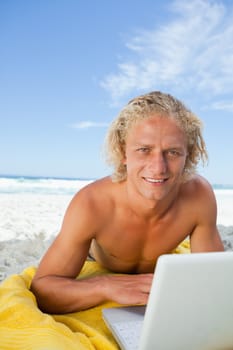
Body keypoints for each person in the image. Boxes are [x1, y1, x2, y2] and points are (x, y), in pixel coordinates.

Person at [31, 91, 224, 314]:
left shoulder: (199, 197)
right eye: (144, 150)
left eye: (172, 152)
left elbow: (214, 282)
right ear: (123, 152)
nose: (158, 167)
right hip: (96, 256)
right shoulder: (92, 204)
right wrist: (103, 286)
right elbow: (43, 289)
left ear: (187, 156)